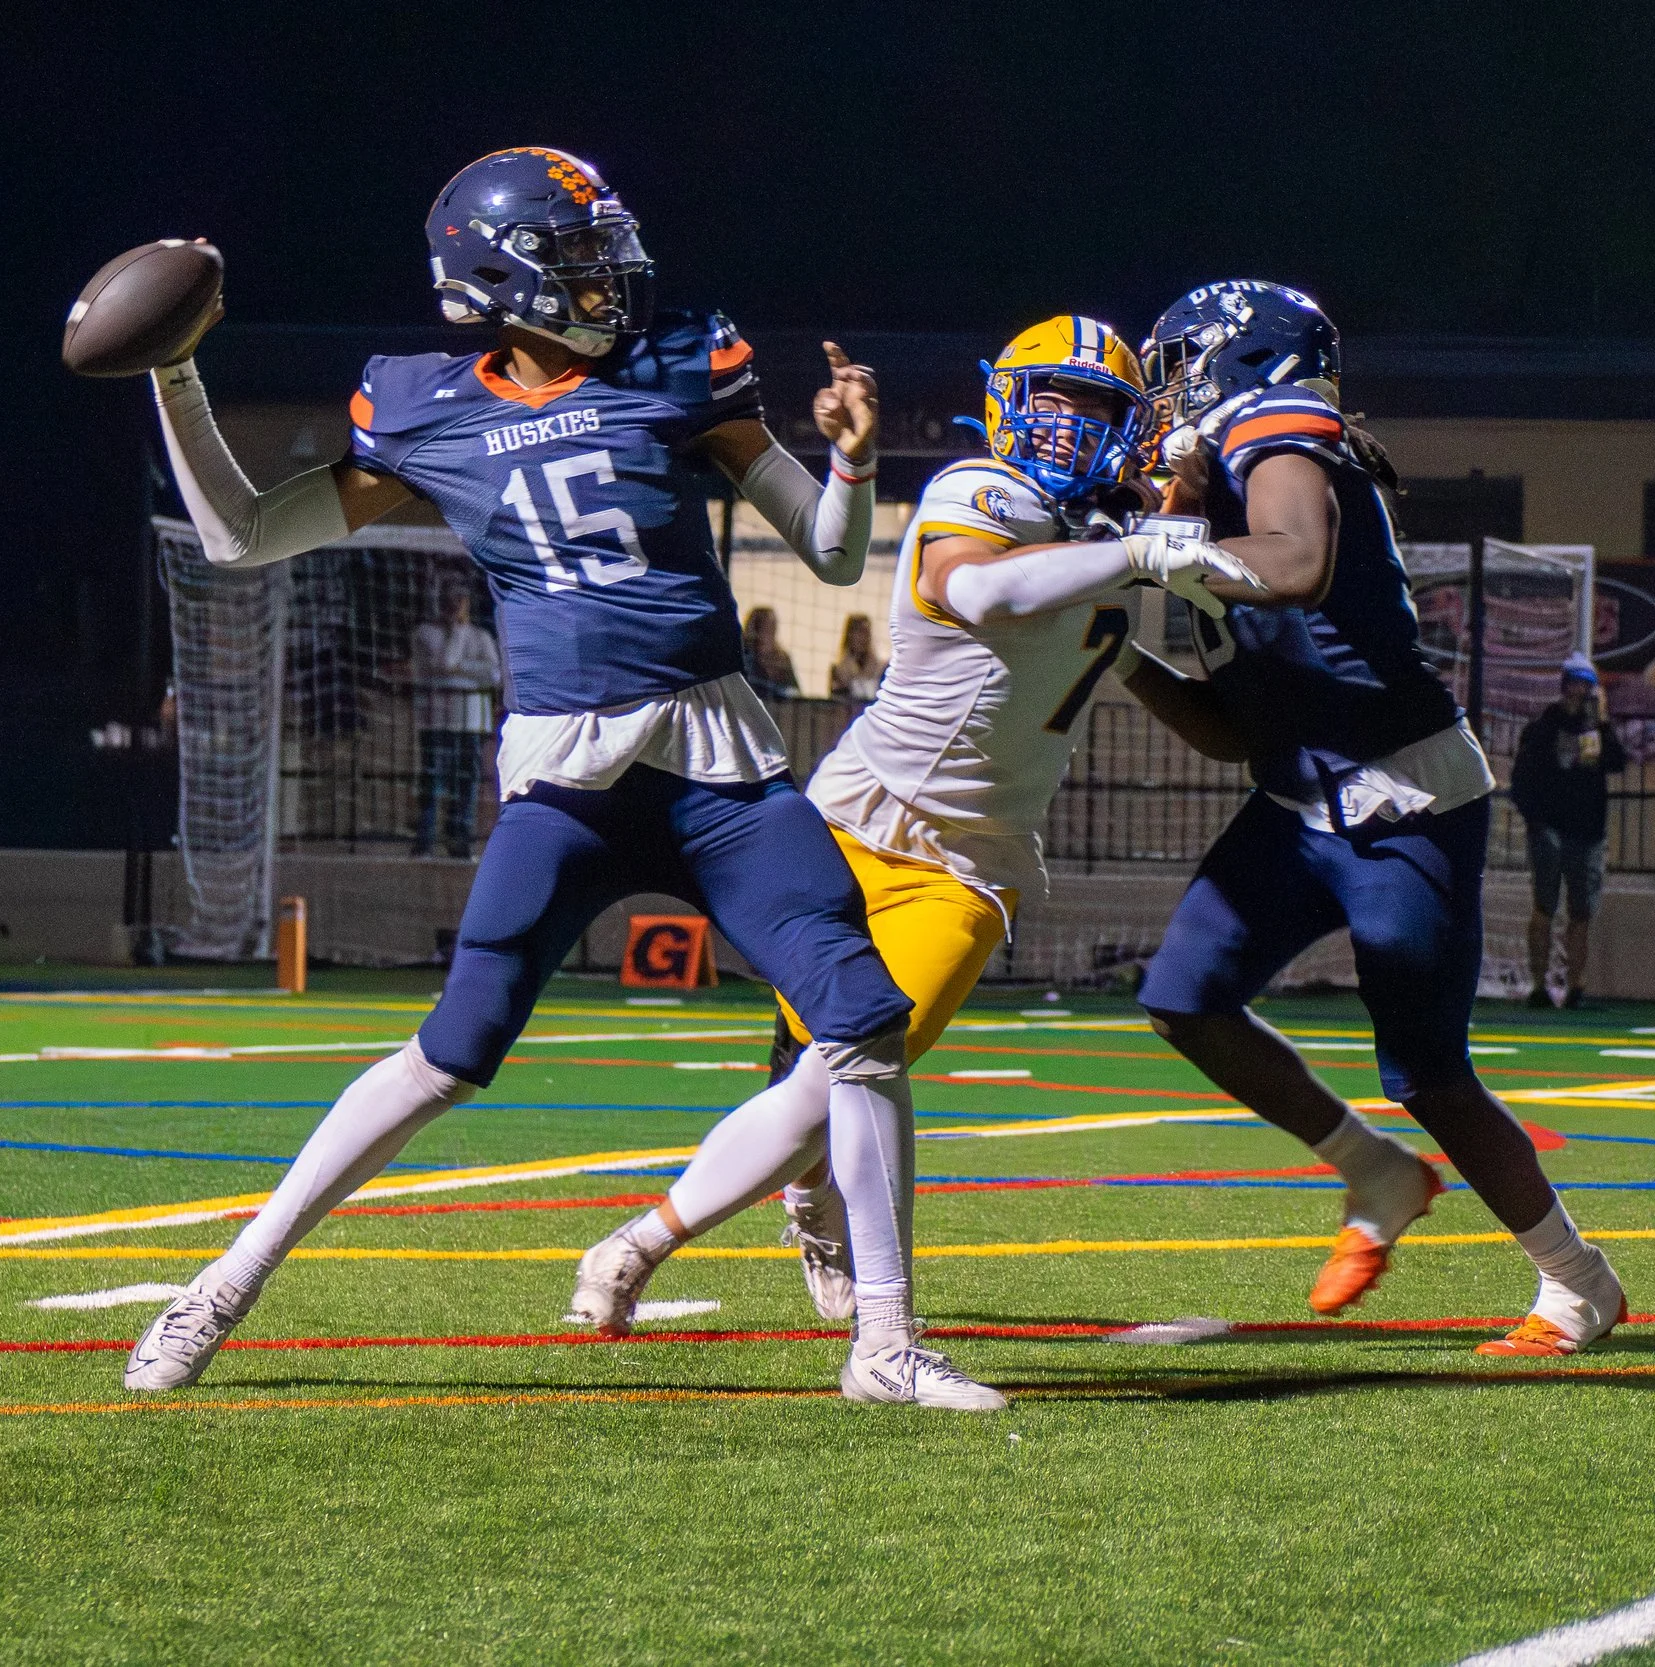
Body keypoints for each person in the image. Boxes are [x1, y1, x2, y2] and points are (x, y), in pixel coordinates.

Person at [122, 147, 1000, 1410]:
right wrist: (176, 372)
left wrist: (855, 463)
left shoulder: (677, 365)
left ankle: (885, 1342)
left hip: (719, 773)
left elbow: (823, 548)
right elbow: (240, 533)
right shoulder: (424, 404)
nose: (610, 276)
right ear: (495, 278)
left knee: (862, 1021)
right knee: (448, 1052)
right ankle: (221, 1285)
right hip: (571, 784)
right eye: (579, 256)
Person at [570, 316, 1250, 1331]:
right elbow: (970, 586)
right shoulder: (982, 488)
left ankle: (637, 1243)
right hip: (855, 819)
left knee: (837, 1072)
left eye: (1094, 403)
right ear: (1005, 401)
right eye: (1052, 395)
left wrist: (1212, 565)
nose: (1069, 419)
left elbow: (1158, 670)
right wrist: (1144, 548)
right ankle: (803, 1208)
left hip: (970, 861)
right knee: (824, 1065)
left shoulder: (1107, 529)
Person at [1120, 281, 1627, 1358]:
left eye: (1177, 367)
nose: (1164, 395)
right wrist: (1118, 649)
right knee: (1182, 998)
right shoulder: (1209, 500)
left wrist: (1150, 553)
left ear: (1236, 360)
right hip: (1298, 802)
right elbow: (1229, 734)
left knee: (1428, 1073)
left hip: (1404, 799)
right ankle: (1374, 1169)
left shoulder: (1275, 430)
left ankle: (1579, 1282)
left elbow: (1297, 564)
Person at [1509, 653, 1627, 1007]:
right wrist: (1535, 819)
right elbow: (1522, 778)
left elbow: (1617, 762)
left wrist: (1603, 724)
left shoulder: (1597, 730)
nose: (1580, 693)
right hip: (1550, 829)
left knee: (1581, 911)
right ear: (1564, 687)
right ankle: (1538, 984)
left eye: (1586, 686)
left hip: (1586, 831)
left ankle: (1576, 985)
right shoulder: (1544, 728)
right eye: (1574, 684)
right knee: (1544, 905)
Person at [408, 584, 502, 858]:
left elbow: (493, 675)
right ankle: (425, 840)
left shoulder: (481, 636)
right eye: (450, 601)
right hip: (436, 720)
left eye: (460, 601)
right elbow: (442, 665)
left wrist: (460, 668)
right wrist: (458, 638)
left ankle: (460, 839)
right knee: (432, 781)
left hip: (470, 721)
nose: (455, 607)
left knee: (466, 783)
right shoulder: (426, 634)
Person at [743, 605, 799, 700]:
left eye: (772, 626)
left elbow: (795, 691)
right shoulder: (744, 655)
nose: (768, 631)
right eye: (763, 626)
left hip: (779, 707)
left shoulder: (783, 658)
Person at [828, 612, 885, 702]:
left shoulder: (880, 668)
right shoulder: (839, 670)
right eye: (858, 632)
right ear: (849, 635)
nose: (863, 638)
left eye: (866, 632)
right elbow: (836, 703)